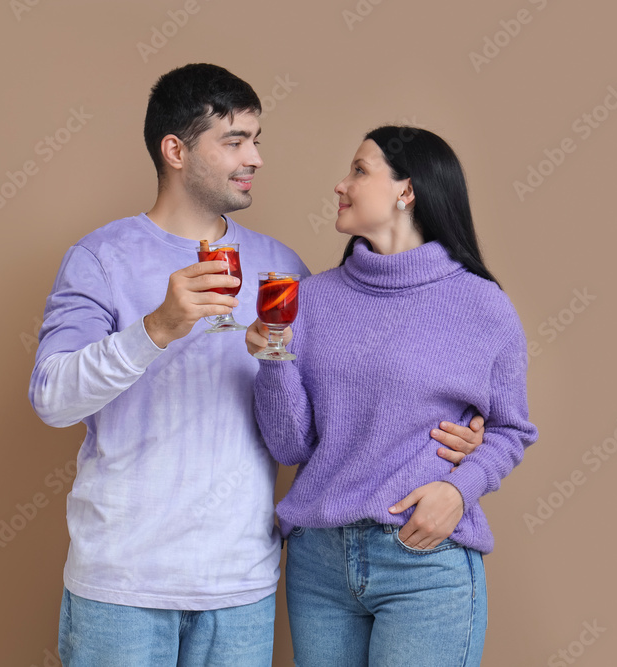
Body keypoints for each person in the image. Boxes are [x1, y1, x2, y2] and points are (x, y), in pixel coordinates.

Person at [29, 65, 485, 667]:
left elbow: (332, 416)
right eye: (235, 140)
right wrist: (158, 327)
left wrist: (459, 440)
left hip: (241, 590)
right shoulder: (101, 259)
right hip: (122, 583)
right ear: (175, 150)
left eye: (258, 139)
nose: (256, 158)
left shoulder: (284, 270)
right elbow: (52, 399)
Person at [248, 126, 539, 666]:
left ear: (407, 191)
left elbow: (510, 429)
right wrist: (273, 359)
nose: (341, 183)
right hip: (319, 563)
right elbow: (290, 445)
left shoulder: (481, 305)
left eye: (360, 170)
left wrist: (459, 491)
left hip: (423, 559)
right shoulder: (308, 298)